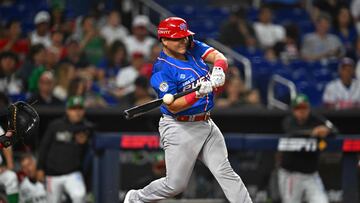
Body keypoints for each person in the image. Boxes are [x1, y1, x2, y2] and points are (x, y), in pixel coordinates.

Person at [124, 17, 252, 203]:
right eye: (177, 38)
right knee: (175, 186)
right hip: (180, 127)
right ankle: (136, 198)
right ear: (164, 40)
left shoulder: (191, 46)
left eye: (184, 36)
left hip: (206, 123)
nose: (183, 40)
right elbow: (173, 106)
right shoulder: (162, 69)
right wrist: (197, 94)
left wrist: (218, 70)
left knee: (225, 172)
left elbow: (219, 57)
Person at [279, 94, 336, 203]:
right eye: (298, 108)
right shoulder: (289, 121)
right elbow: (292, 132)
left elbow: (334, 129)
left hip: (311, 175)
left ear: (308, 108)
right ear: (293, 110)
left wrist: (326, 130)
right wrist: (313, 132)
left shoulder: (315, 119)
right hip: (291, 175)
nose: (301, 111)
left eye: (304, 108)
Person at [37, 96, 92, 203]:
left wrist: (84, 144)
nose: (77, 112)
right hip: (52, 174)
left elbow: (89, 156)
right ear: (67, 110)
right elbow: (44, 146)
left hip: (72, 173)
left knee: (79, 196)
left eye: (79, 109)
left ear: (83, 111)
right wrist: (40, 168)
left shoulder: (86, 128)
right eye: (74, 108)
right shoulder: (56, 125)